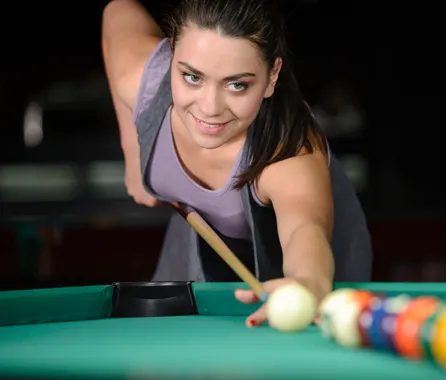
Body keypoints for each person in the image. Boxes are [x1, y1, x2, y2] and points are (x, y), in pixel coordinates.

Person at [101, 0, 372, 326]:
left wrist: (307, 282)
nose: (210, 108)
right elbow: (118, 11)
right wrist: (132, 148)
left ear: (272, 75)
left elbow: (304, 227)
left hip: (324, 259)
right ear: (172, 53)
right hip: (202, 235)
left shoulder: (287, 153)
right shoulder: (140, 81)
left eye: (237, 84)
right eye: (192, 77)